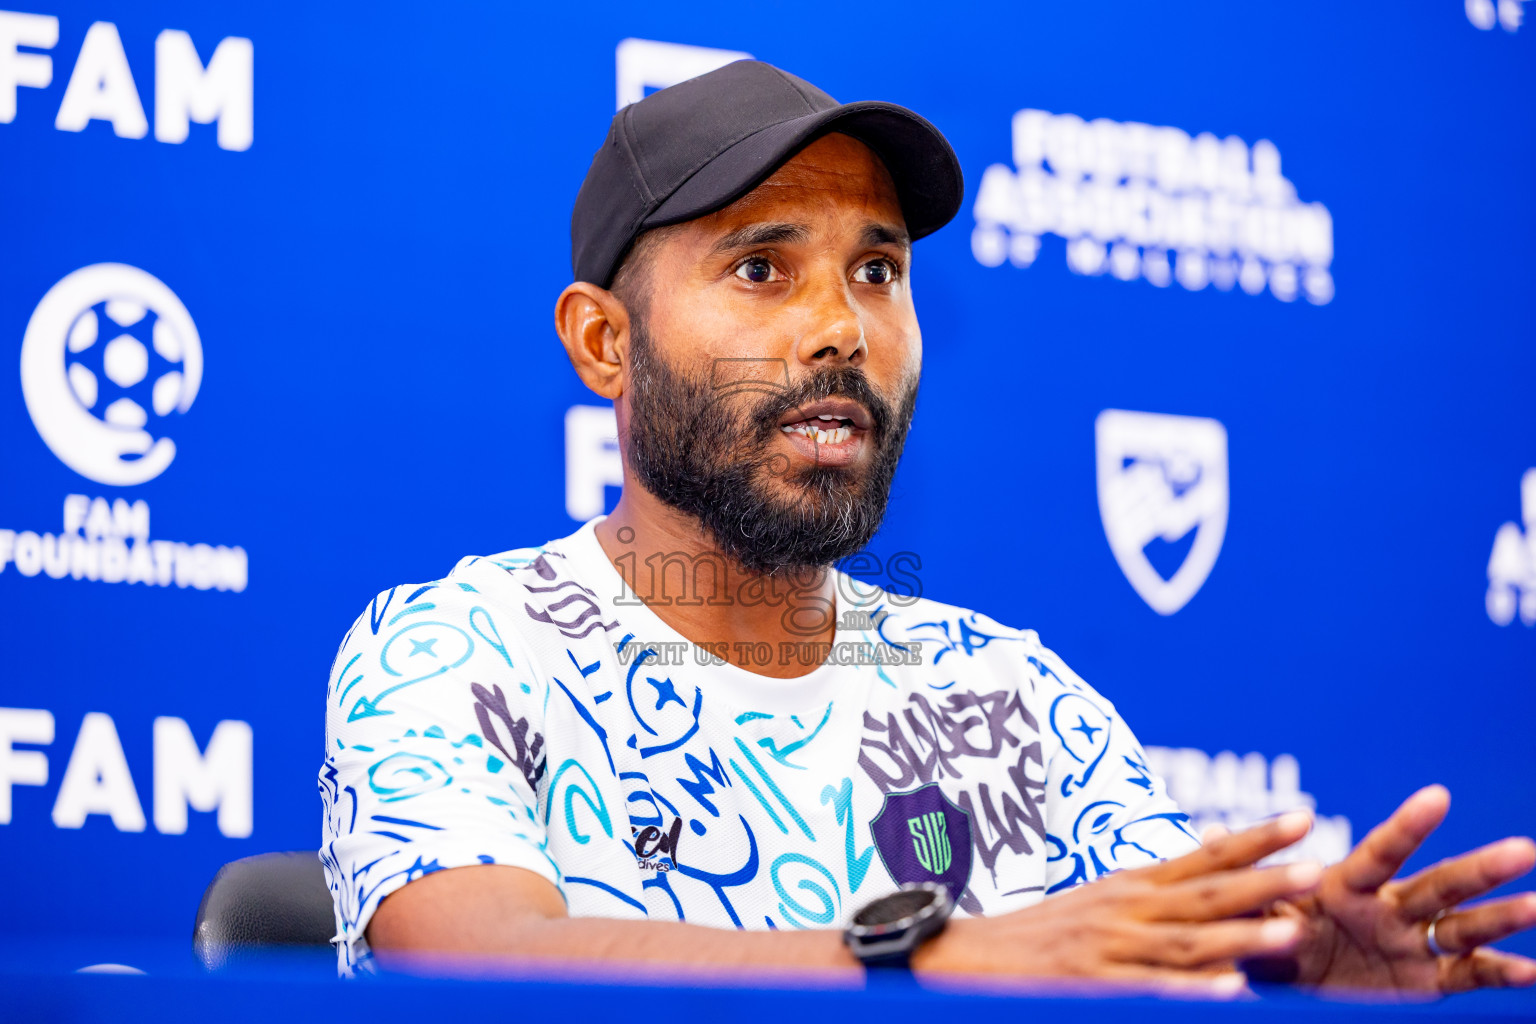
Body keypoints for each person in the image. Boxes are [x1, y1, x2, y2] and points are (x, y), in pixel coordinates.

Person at [319, 60, 1536, 994]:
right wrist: (922, 959)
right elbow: (477, 958)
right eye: (761, 269)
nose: (840, 327)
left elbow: (1163, 949)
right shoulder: (457, 647)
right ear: (604, 342)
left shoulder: (1009, 693)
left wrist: (1286, 973)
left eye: (877, 270)